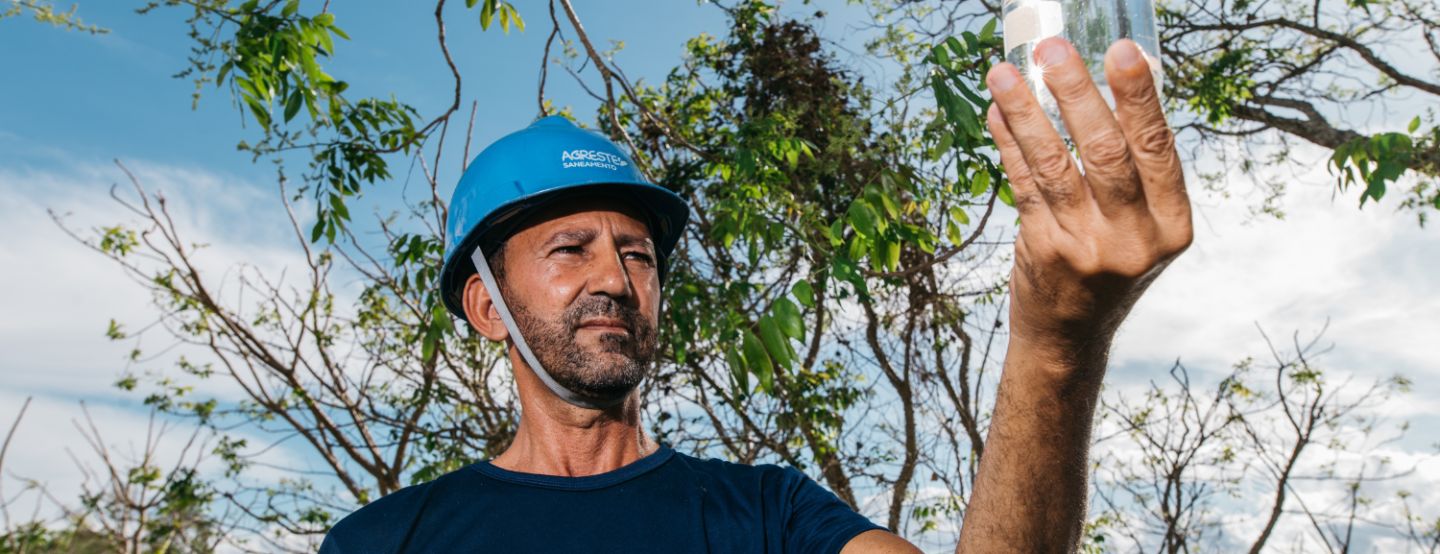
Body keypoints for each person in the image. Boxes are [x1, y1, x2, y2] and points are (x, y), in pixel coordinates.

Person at [320, 36, 1191, 553]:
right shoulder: (383, 542)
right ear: (485, 307)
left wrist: (1055, 342)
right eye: (568, 249)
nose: (616, 280)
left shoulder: (770, 517)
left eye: (638, 254)